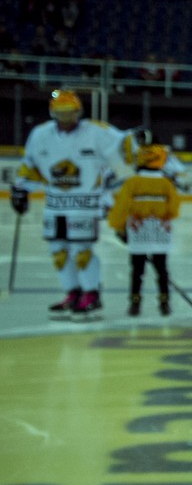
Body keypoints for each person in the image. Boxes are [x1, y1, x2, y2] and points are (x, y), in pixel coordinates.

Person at [13, 88, 128, 319]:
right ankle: (72, 293)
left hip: (84, 206)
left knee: (81, 250)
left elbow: (124, 148)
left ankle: (91, 294)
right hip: (55, 205)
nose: (67, 119)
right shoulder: (40, 134)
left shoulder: (96, 132)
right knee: (58, 251)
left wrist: (114, 198)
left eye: (71, 113)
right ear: (52, 113)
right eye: (61, 113)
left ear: (79, 112)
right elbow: (31, 165)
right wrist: (21, 189)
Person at [107, 139, 181, 316]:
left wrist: (119, 227)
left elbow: (121, 206)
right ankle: (164, 303)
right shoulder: (166, 183)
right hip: (160, 231)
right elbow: (174, 208)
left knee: (137, 270)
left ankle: (135, 303)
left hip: (137, 230)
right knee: (162, 268)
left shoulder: (133, 182)